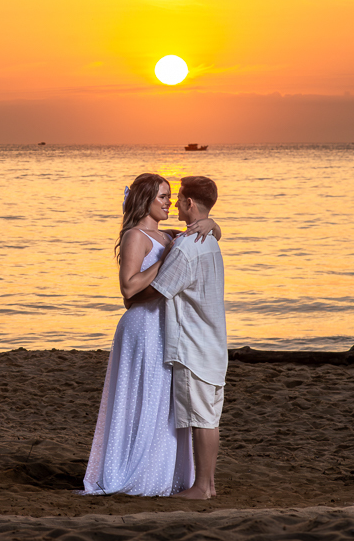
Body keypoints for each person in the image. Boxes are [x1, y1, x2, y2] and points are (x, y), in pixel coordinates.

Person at [81, 173, 219, 497]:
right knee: (141, 398)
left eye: (170, 197)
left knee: (163, 403)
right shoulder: (135, 236)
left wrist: (213, 226)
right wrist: (166, 264)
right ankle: (133, 468)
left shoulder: (170, 236)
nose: (168, 202)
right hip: (141, 327)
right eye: (161, 197)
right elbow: (128, 290)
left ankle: (161, 469)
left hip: (165, 327)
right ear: (144, 200)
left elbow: (202, 236)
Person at [126, 175, 226, 499]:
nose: (174, 202)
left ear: (190, 204)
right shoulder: (208, 240)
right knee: (209, 416)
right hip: (214, 341)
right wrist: (213, 224)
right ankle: (207, 484)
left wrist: (131, 301)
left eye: (178, 197)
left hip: (193, 342)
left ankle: (202, 486)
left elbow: (160, 289)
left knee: (201, 419)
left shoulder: (185, 245)